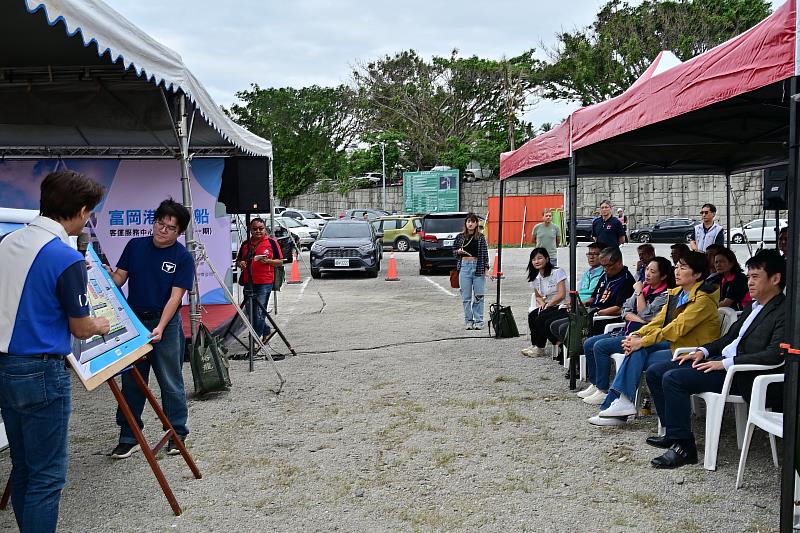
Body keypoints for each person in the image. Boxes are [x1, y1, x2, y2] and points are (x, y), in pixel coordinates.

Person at [0, 171, 109, 532]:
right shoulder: (66, 257)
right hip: (42, 371)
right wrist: (102, 324)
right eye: (89, 212)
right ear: (80, 211)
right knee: (47, 478)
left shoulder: (8, 242)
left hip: (6, 366)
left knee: (24, 467)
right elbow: (81, 326)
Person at [645, 249, 785, 468]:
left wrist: (726, 363)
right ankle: (673, 433)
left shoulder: (783, 311)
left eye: (755, 277)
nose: (749, 282)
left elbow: (774, 354)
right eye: (748, 277)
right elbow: (730, 337)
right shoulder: (753, 307)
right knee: (655, 372)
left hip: (742, 374)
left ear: (775, 279)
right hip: (723, 363)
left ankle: (684, 447)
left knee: (673, 379)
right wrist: (703, 351)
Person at [105, 198, 195, 459]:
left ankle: (177, 434)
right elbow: (120, 278)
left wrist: (161, 327)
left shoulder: (182, 257)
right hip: (134, 321)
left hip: (165, 323)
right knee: (132, 381)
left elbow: (175, 297)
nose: (162, 230)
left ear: (179, 232)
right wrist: (106, 275)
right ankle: (128, 436)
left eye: (170, 227)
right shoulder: (135, 246)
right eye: (159, 223)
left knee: (170, 381)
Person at [589, 251, 720, 426]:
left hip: (691, 352)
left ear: (696, 274)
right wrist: (636, 335)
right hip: (675, 346)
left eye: (683, 268)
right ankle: (620, 405)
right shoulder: (678, 293)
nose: (677, 271)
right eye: (677, 267)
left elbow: (676, 328)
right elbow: (659, 321)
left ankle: (617, 406)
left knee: (637, 351)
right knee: (635, 350)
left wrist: (641, 341)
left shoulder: (702, 299)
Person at [578, 257, 674, 405]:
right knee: (589, 343)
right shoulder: (645, 288)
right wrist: (639, 316)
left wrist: (639, 293)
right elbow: (625, 309)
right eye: (647, 269)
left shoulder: (663, 295)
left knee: (600, 346)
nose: (647, 274)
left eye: (652, 271)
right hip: (628, 329)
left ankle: (603, 389)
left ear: (663, 276)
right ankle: (596, 383)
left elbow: (645, 314)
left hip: (641, 336)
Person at [236, 218, 284, 343]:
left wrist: (268, 261)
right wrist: (240, 263)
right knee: (251, 312)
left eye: (261, 228)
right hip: (249, 281)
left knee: (259, 312)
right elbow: (238, 260)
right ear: (250, 230)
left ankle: (255, 340)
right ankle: (266, 330)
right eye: (255, 229)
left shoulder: (272, 243)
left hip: (264, 282)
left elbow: (280, 261)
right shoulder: (246, 244)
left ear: (265, 229)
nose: (258, 231)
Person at [548, 242, 604, 349]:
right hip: (576, 304)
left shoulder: (604, 273)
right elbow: (580, 291)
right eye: (589, 254)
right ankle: (563, 349)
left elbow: (594, 297)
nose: (591, 257)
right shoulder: (587, 273)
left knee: (557, 324)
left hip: (586, 308)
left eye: (595, 254)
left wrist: (578, 304)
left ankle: (573, 353)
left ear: (603, 255)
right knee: (548, 320)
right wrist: (571, 302)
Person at [521, 248, 567, 357]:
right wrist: (542, 304)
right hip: (548, 305)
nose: (536, 261)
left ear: (547, 259)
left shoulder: (557, 272)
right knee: (533, 315)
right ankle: (535, 345)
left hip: (562, 305)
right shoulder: (535, 276)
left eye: (539, 258)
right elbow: (538, 296)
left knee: (541, 317)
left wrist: (548, 305)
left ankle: (540, 348)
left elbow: (561, 294)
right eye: (533, 259)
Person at [453, 213, 489, 330]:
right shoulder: (460, 237)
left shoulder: (481, 237)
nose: (470, 224)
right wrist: (458, 251)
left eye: (473, 221)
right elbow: (453, 251)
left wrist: (486, 268)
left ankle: (479, 321)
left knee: (479, 295)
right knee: (466, 297)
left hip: (477, 266)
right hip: (464, 266)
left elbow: (485, 254)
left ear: (476, 223)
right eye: (468, 221)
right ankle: (468, 320)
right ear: (465, 223)